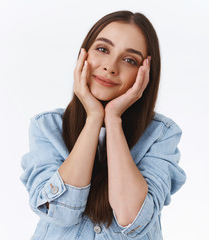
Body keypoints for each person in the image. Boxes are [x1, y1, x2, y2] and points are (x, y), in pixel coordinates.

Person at [20, 10, 186, 239]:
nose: (110, 67)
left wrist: (113, 119)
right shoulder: (46, 128)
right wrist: (94, 118)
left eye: (129, 60)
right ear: (83, 55)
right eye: (103, 49)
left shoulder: (161, 135)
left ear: (145, 73)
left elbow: (131, 217)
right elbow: (60, 214)